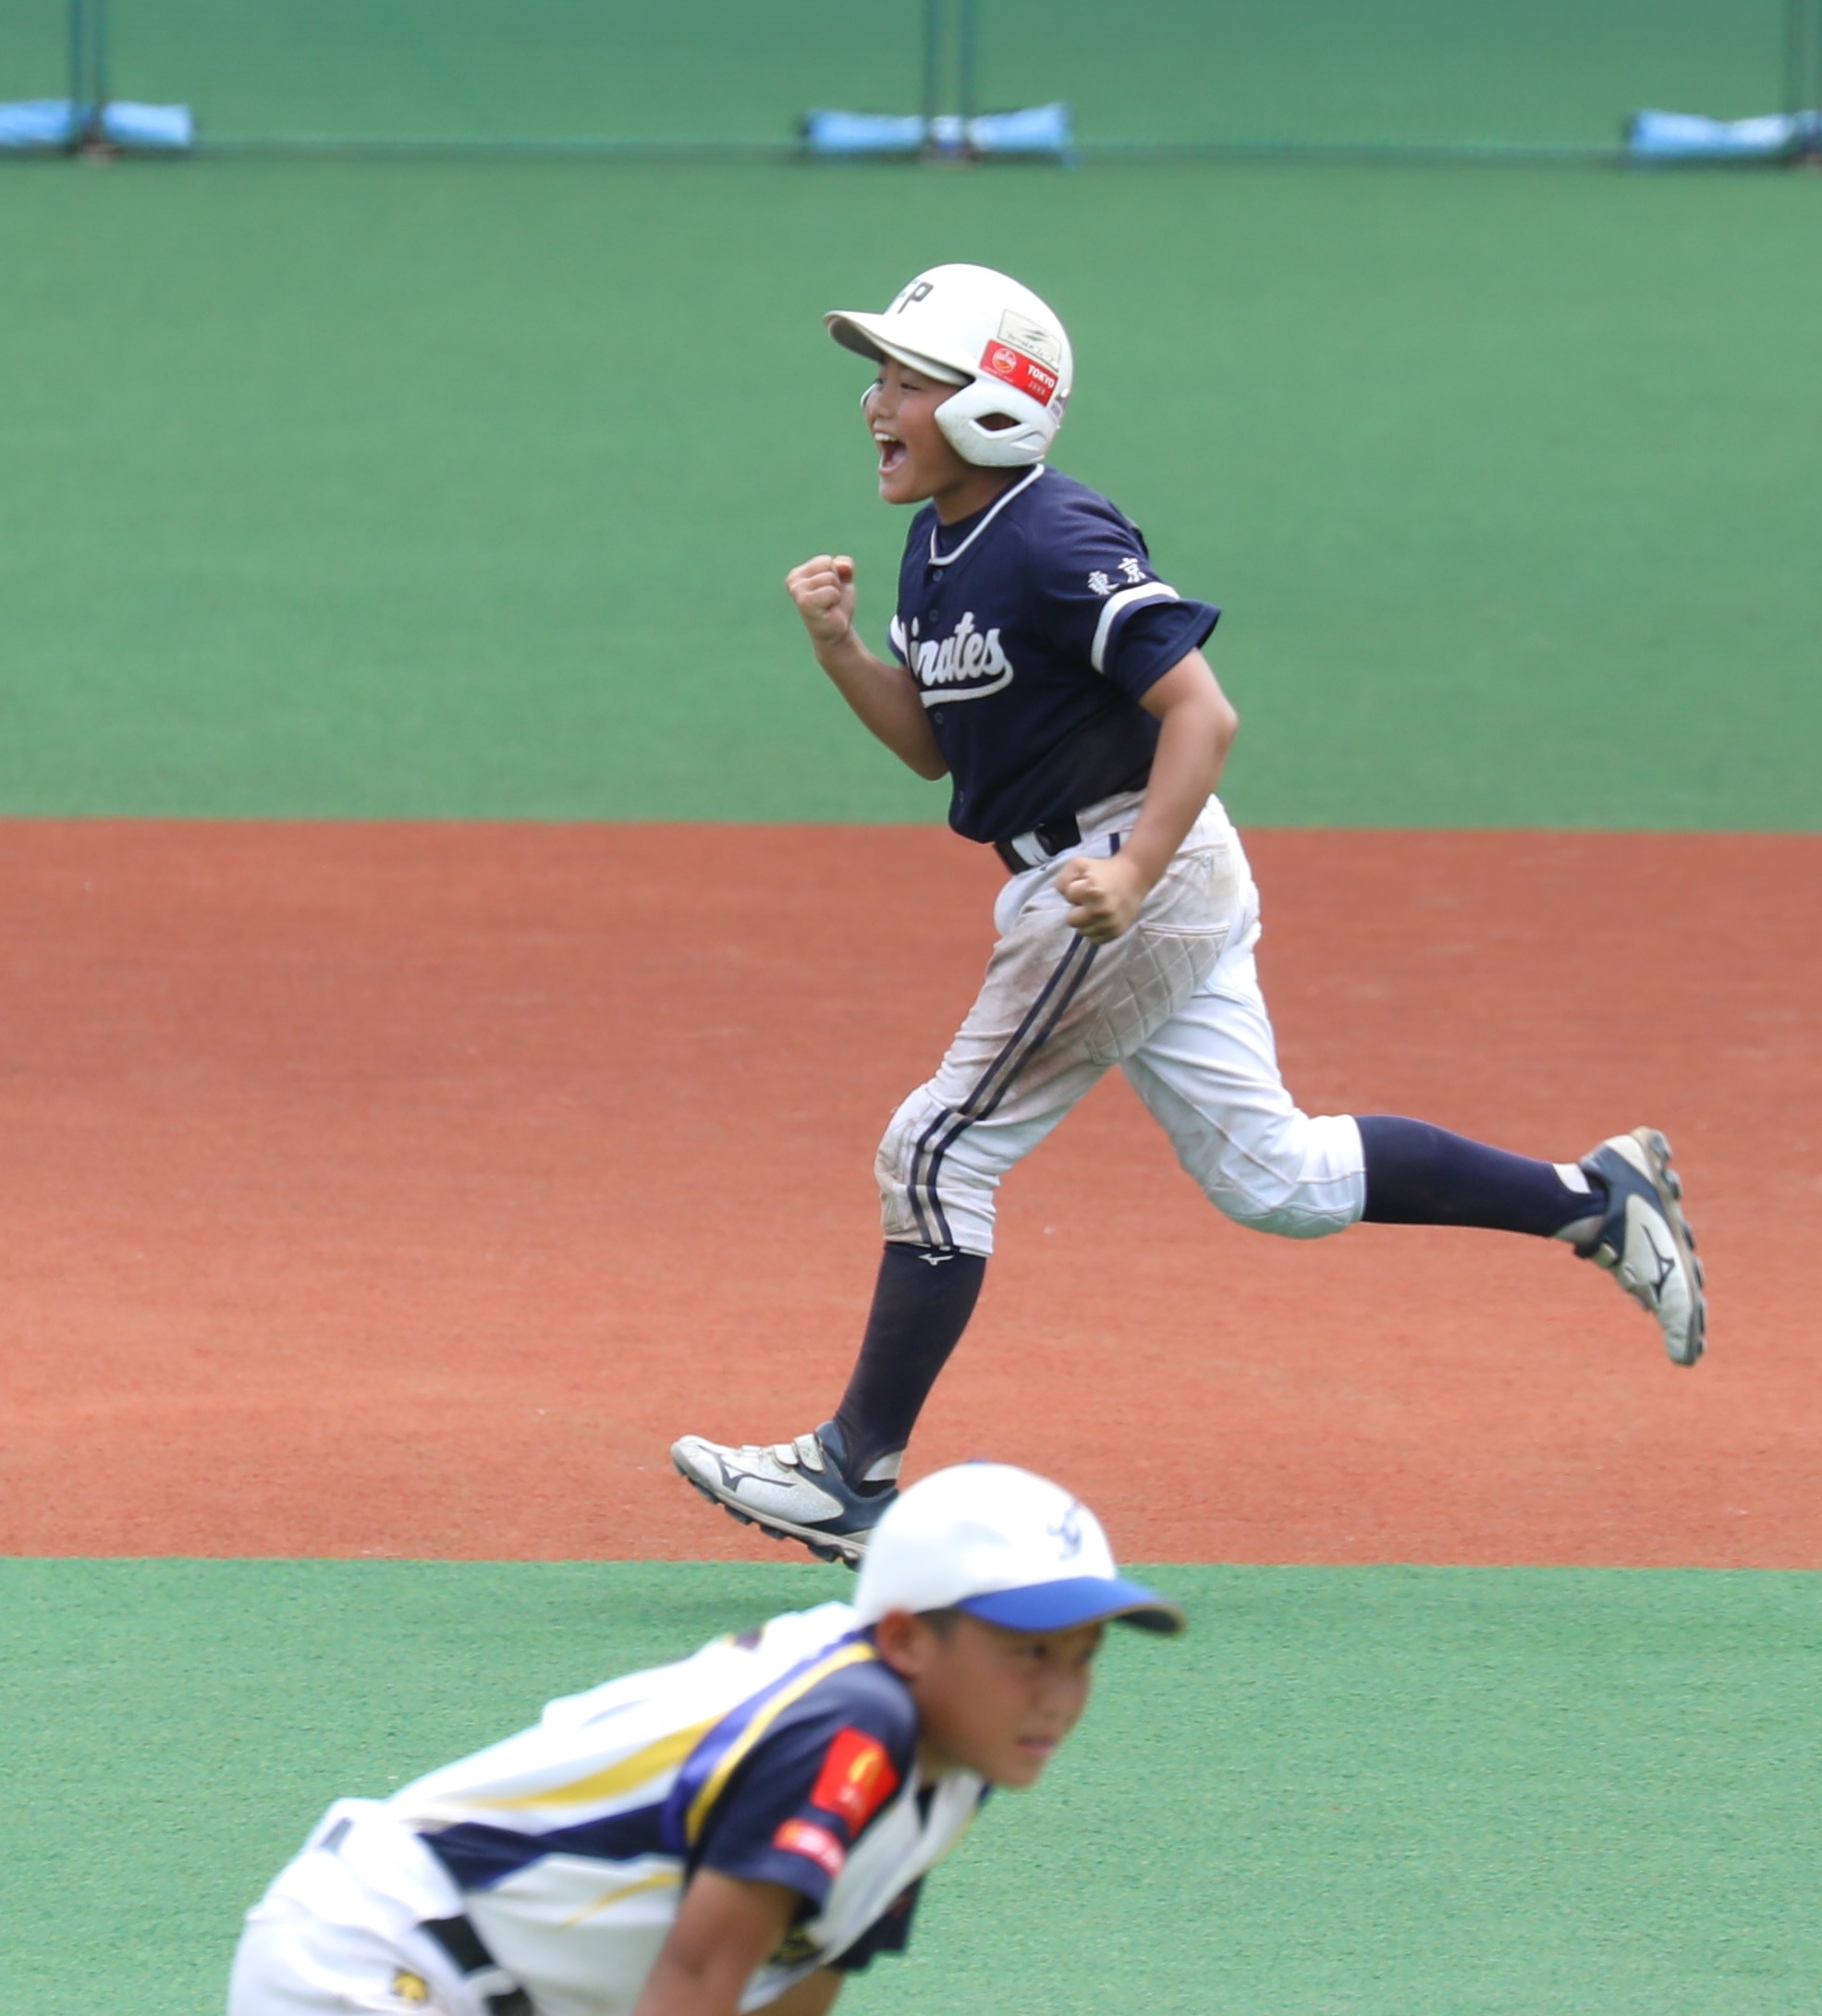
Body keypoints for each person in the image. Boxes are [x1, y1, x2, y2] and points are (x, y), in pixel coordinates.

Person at [675, 263, 1706, 1570]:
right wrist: (838, 652)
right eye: (876, 377)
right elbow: (940, 755)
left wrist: (1133, 869)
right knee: (1272, 1175)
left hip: (1118, 877)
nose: (874, 402)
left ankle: (850, 1471)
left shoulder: (1057, 536)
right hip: (1130, 871)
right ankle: (1593, 1198)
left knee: (937, 1148)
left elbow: (1201, 713)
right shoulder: (936, 549)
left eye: (906, 380)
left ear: (993, 404)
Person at [227, 1464, 1180, 2016]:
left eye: (1081, 1655)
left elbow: (812, 1966)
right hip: (360, 1967)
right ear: (904, 1639)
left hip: (474, 2010)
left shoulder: (951, 1760)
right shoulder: (848, 1728)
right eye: (1027, 1652)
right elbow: (702, 1970)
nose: (1059, 1693)